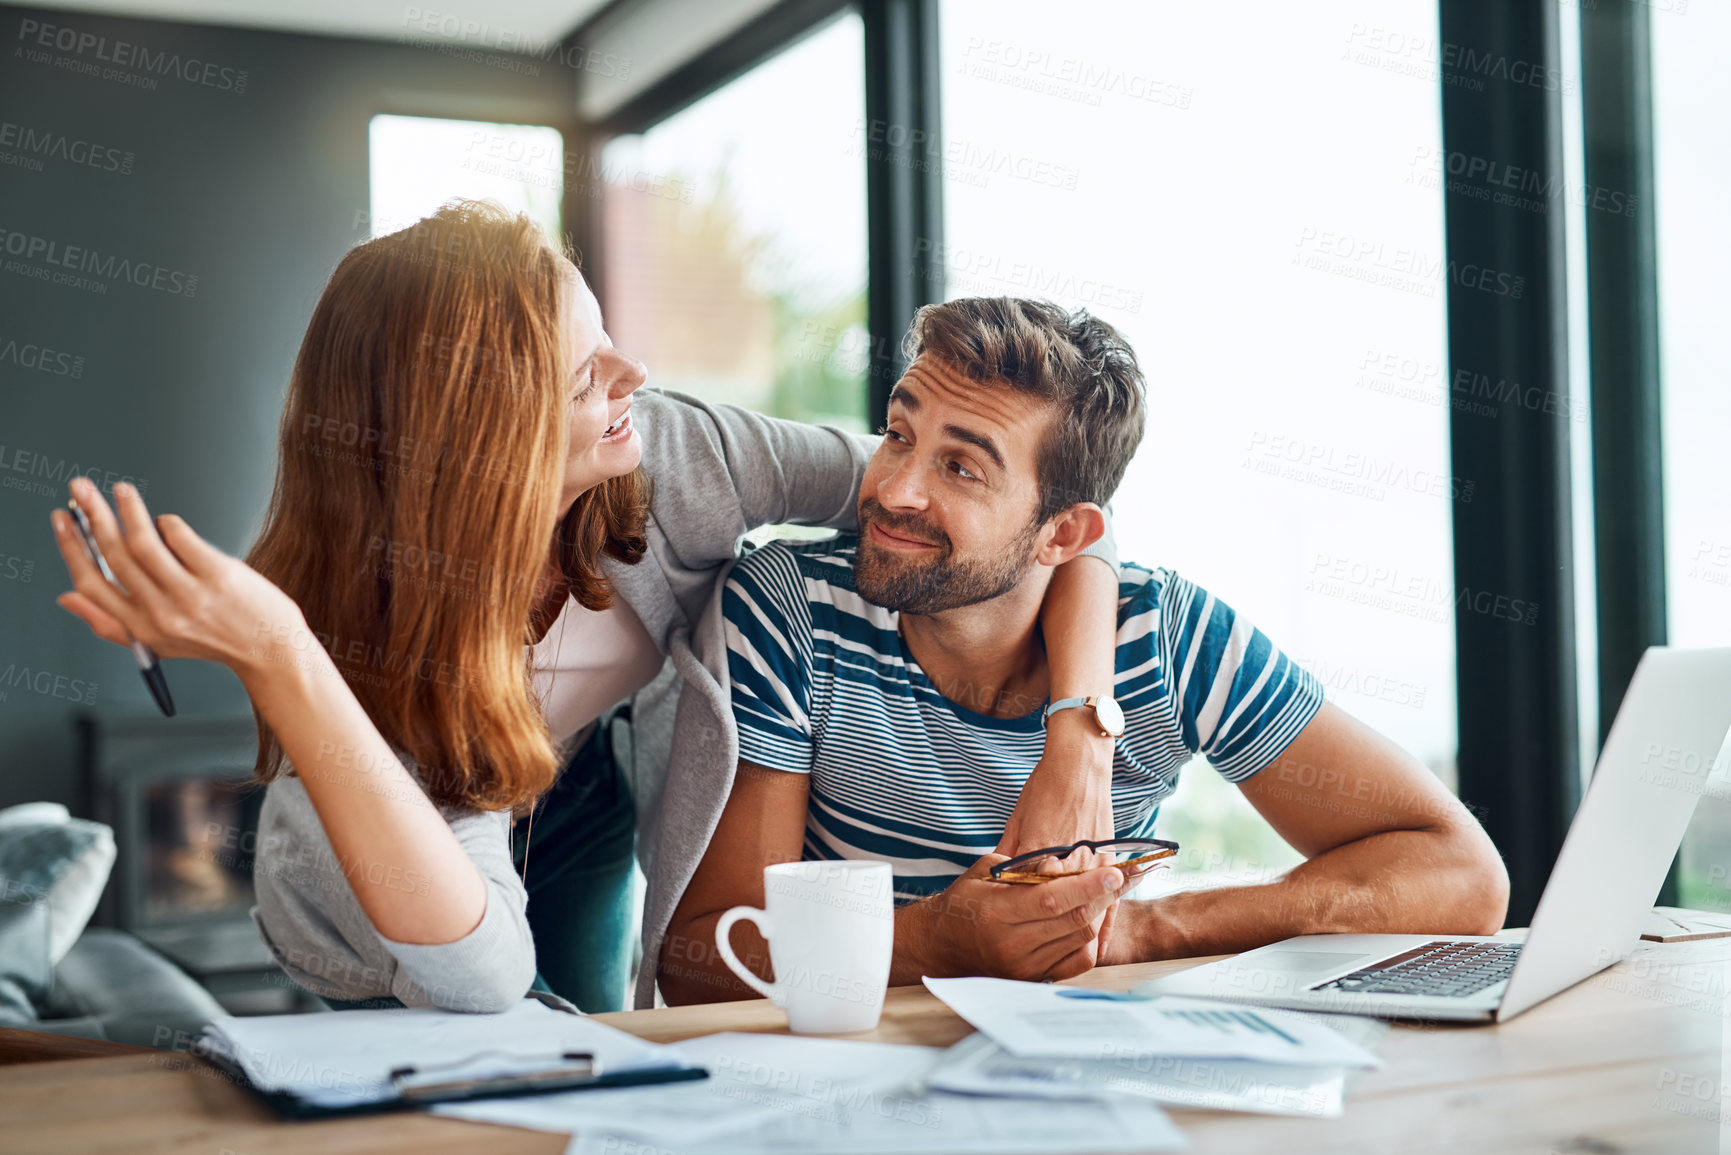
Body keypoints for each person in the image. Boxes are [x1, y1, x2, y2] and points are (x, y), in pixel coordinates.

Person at [49, 204, 1125, 1014]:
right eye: (585, 373)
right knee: (461, 1064)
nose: (634, 372)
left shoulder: (677, 454)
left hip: (584, 783)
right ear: (486, 433)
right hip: (385, 865)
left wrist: (1076, 738)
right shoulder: (375, 646)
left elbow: (1042, 525)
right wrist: (283, 654)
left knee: (590, 1043)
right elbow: (475, 976)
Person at [661, 296, 1510, 1003]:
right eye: (897, 432)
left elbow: (1460, 873)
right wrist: (936, 939)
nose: (891, 489)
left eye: (961, 469)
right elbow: (703, 960)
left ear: (1062, 532)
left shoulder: (1163, 637)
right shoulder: (789, 611)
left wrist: (1144, 927)